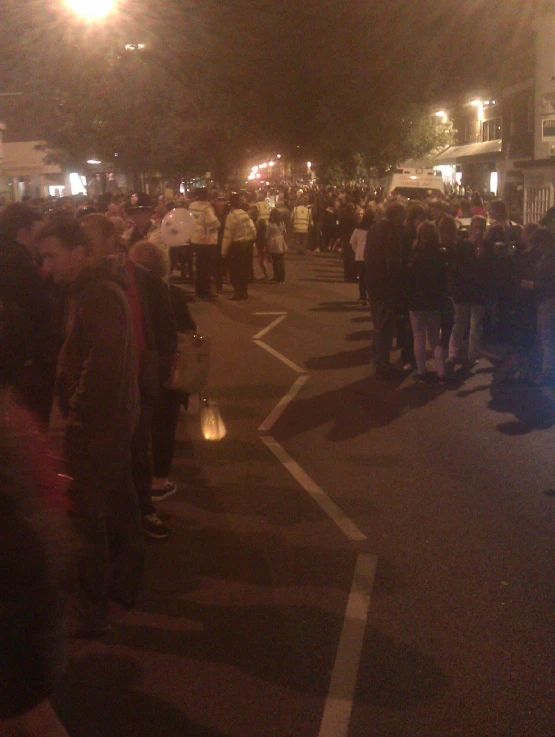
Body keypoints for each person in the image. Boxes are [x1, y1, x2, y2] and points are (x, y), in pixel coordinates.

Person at [37, 217, 144, 639]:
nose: (46, 267)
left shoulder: (97, 294)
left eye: (51, 256)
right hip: (108, 423)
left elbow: (103, 366)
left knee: (89, 516)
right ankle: (124, 585)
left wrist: (77, 414)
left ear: (79, 251)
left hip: (98, 425)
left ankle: (93, 605)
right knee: (118, 504)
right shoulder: (89, 290)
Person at [0, 396, 71, 736]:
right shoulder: (12, 415)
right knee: (34, 716)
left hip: (20, 604)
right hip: (34, 593)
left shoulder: (10, 421)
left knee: (29, 717)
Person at [129, 240, 197, 499]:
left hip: (138, 367)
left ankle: (136, 479)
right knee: (164, 426)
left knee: (138, 427)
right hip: (165, 368)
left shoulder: (126, 293)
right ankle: (159, 482)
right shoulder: (171, 293)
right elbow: (187, 330)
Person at [0, 203, 56, 427]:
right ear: (23, 234)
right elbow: (40, 308)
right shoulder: (17, 261)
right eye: (37, 232)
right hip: (20, 357)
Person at [365, 201, 407, 376]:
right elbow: (392, 263)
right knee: (385, 325)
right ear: (397, 215)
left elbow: (367, 254)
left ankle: (377, 357)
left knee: (377, 322)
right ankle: (382, 363)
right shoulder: (391, 232)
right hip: (385, 285)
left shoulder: (374, 228)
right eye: (402, 215)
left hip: (373, 282)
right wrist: (396, 283)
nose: (404, 219)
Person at [447, 215, 494, 367]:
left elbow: (490, 270)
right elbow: (455, 269)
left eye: (481, 228)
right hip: (464, 292)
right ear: (471, 229)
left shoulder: (488, 246)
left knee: (476, 325)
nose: (479, 231)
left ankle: (472, 355)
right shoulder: (462, 246)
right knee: (460, 323)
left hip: (479, 293)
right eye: (476, 227)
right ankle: (453, 352)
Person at [407, 221, 447, 383]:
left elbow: (409, 280)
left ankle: (421, 371)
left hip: (417, 300)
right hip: (434, 301)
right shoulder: (439, 255)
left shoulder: (415, 256)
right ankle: (441, 372)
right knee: (434, 338)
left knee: (418, 337)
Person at [522, 227, 555, 384]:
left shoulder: (550, 258)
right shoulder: (546, 256)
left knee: (547, 337)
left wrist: (534, 285)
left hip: (548, 300)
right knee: (546, 336)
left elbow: (550, 283)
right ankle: (546, 369)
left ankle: (548, 372)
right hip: (545, 299)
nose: (537, 248)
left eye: (539, 244)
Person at [221, 192, 257, 300]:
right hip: (247, 245)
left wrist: (224, 250)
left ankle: (238, 292)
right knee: (244, 270)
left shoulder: (231, 216)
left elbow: (228, 235)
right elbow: (253, 229)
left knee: (235, 271)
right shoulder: (244, 214)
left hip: (237, 247)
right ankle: (243, 292)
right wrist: (251, 239)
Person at [189, 187, 220, 298]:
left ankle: (199, 290)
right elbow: (212, 223)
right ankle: (206, 292)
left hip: (195, 239)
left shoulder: (192, 206)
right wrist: (218, 223)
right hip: (206, 241)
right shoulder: (207, 208)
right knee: (206, 268)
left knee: (199, 267)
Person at [350, 210, 375, 304]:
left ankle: (362, 296)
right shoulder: (374, 229)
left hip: (360, 255)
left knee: (362, 277)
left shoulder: (357, 229)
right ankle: (370, 296)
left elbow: (352, 241)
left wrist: (356, 250)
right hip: (371, 256)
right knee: (370, 277)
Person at [266, 208, 287, 284]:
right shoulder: (282, 223)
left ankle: (277, 277)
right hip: (280, 241)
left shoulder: (270, 225)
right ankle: (281, 278)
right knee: (280, 260)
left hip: (274, 242)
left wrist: (267, 245)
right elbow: (284, 233)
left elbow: (267, 236)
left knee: (276, 261)